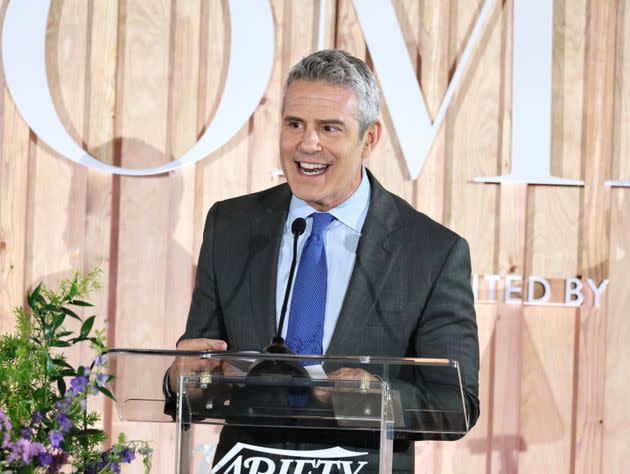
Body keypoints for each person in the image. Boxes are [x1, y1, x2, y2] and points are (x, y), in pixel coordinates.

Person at [169, 49, 479, 471]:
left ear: (369, 138)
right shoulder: (231, 226)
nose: (307, 143)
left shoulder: (432, 252)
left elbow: (456, 402)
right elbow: (202, 365)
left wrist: (380, 401)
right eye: (294, 123)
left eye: (329, 128)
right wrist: (182, 379)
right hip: (248, 462)